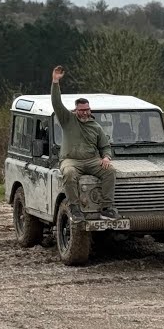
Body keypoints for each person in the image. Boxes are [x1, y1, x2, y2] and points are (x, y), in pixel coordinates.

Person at [50, 65, 118, 220]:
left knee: (110, 171)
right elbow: (56, 103)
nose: (85, 112)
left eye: (87, 109)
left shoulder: (96, 126)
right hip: (71, 160)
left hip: (92, 160)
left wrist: (106, 157)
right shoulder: (67, 120)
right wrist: (55, 82)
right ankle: (74, 208)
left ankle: (106, 207)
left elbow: (105, 146)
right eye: (81, 110)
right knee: (68, 173)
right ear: (76, 110)